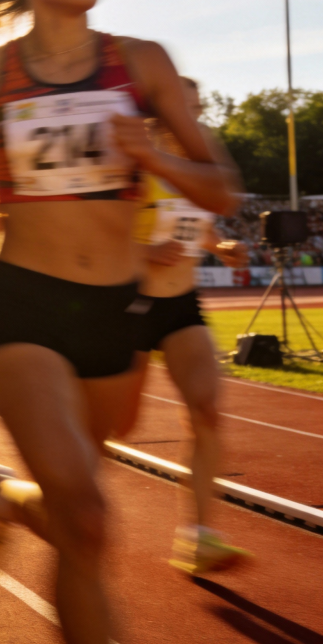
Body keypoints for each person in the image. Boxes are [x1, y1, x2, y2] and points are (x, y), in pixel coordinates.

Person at [0, 0, 239, 644]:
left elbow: (221, 186)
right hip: (23, 304)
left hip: (115, 315)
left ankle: (7, 496)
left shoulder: (143, 63)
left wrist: (153, 155)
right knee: (90, 519)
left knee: (75, 515)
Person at [126, 76, 250, 575]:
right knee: (110, 428)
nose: (192, 118)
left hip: (181, 306)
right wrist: (144, 252)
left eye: (198, 109)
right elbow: (92, 237)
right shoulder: (134, 162)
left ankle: (197, 535)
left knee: (205, 409)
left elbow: (200, 222)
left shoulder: (196, 168)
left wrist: (219, 247)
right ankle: (31, 496)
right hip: (127, 306)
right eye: (184, 107)